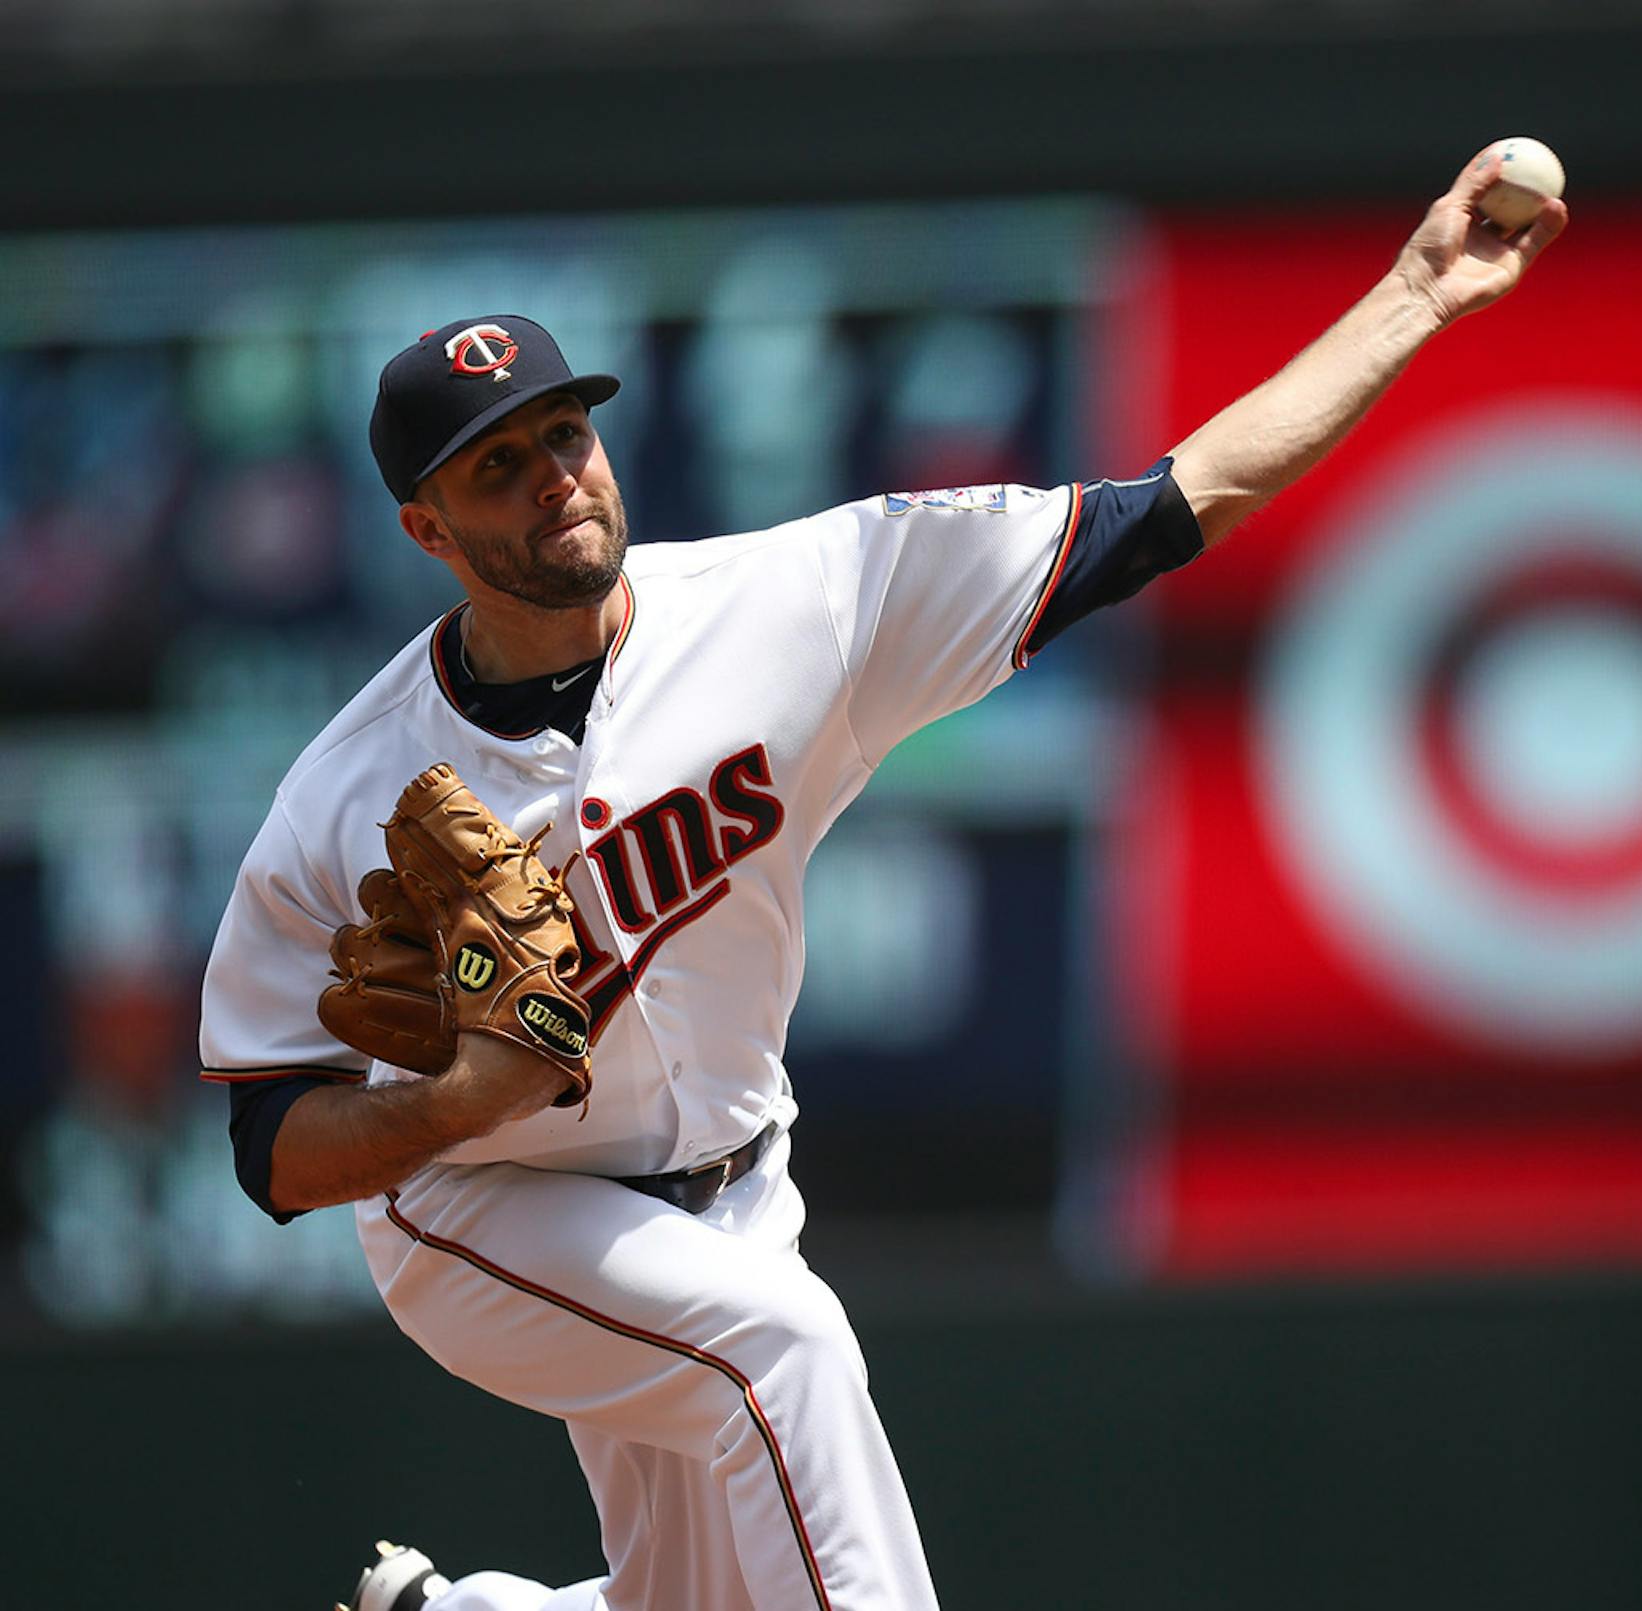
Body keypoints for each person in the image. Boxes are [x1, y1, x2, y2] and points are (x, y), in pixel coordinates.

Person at [198, 150, 1565, 1611]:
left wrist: (1411, 297)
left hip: (732, 1182)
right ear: (426, 530)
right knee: (781, 1352)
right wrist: (453, 1105)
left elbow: (1169, 506)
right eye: (498, 467)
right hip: (482, 1216)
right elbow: (270, 1143)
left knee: (707, 1568)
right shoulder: (346, 798)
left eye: (563, 437)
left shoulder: (799, 604)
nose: (555, 481)